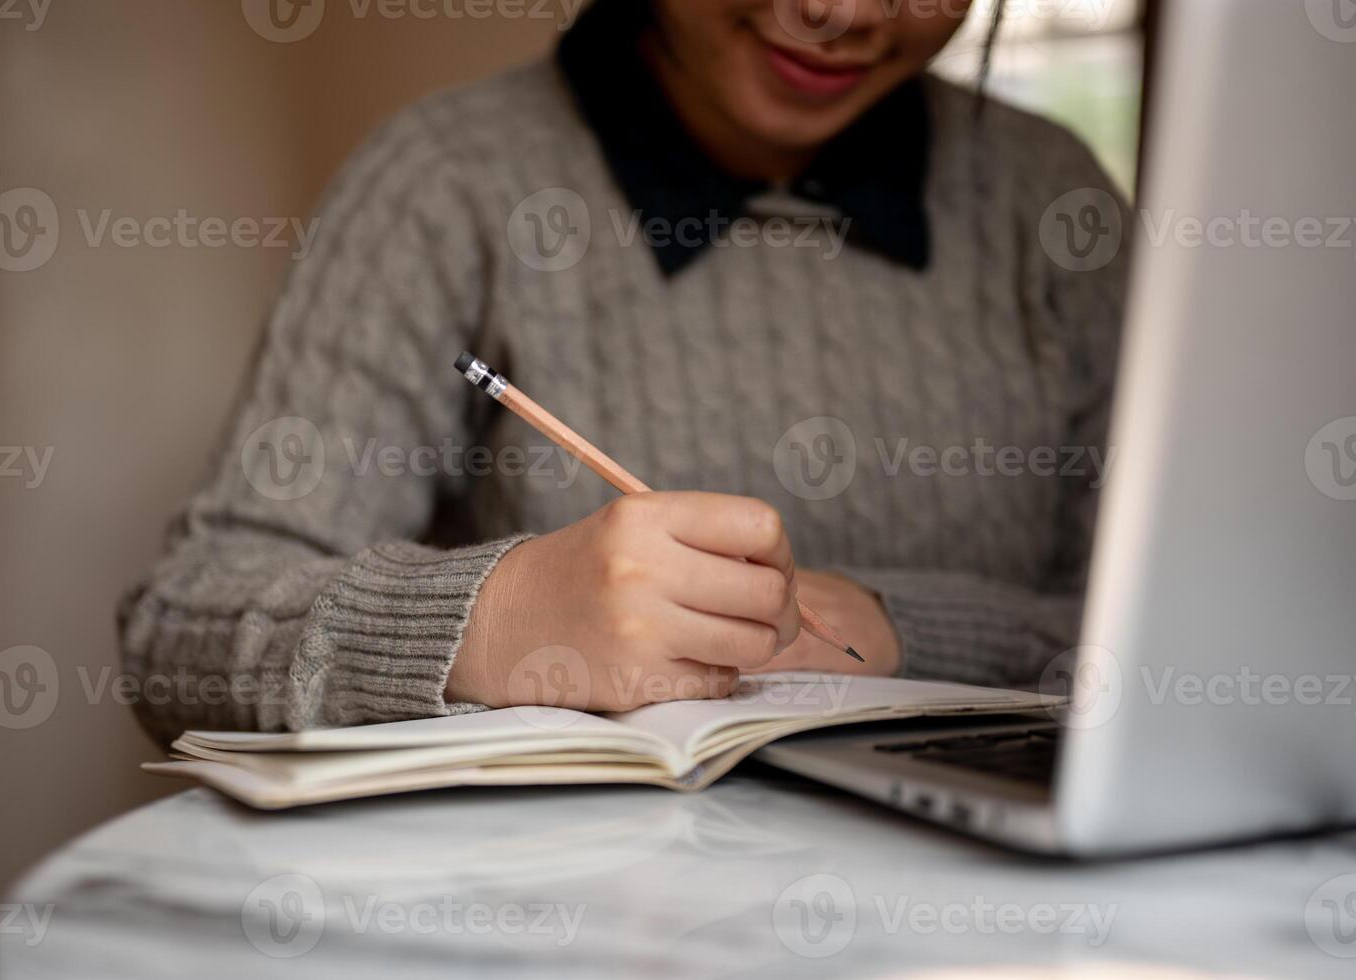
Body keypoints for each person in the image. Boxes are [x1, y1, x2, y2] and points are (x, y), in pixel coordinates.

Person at [119, 0, 1128, 743]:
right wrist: (498, 619)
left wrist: (904, 629)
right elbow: (179, 629)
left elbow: (1201, 647)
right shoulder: (445, 182)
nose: (840, 12)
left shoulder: (1050, 201)